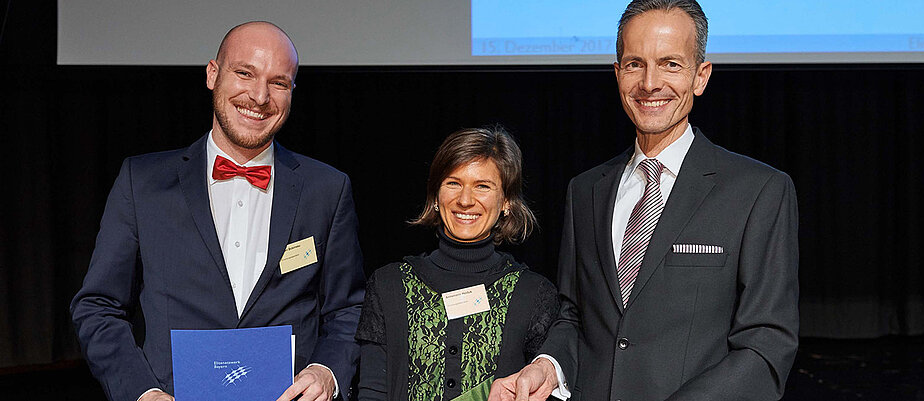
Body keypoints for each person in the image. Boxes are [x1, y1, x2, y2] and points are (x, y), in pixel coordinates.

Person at [490, 1, 799, 400]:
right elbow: (575, 316)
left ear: (701, 76)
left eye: (670, 64)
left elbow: (766, 346)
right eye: (635, 64)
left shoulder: (759, 190)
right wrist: (547, 367)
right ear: (617, 74)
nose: (650, 83)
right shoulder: (585, 191)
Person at [70, 21, 365, 401]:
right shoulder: (141, 183)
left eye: (278, 82)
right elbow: (98, 306)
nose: (259, 97)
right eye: (245, 73)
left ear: (293, 91)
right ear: (212, 74)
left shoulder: (327, 189)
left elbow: (348, 309)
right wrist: (141, 392)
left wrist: (328, 371)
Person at [355, 127, 559, 401]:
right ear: (436, 196)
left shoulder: (534, 294)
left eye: (482, 186)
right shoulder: (388, 285)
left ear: (506, 202)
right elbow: (372, 392)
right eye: (453, 183)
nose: (465, 200)